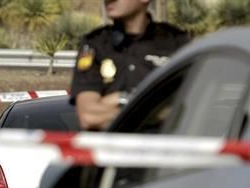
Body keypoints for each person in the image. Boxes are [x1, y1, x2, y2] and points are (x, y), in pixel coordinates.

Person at [70, 0, 189, 130]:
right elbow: (89, 117)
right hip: (111, 149)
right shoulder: (95, 44)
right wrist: (134, 102)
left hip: (163, 148)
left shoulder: (175, 42)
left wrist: (115, 101)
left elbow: (187, 109)